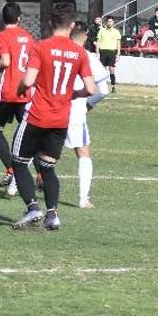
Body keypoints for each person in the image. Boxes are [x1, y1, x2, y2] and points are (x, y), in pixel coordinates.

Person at [10, 9, 98, 230]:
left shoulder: (40, 47)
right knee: (47, 167)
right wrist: (74, 94)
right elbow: (91, 88)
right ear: (71, 26)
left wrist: (20, 88)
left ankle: (33, 208)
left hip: (37, 116)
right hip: (60, 121)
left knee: (18, 162)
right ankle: (53, 215)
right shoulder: (79, 53)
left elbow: (28, 81)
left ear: (50, 22)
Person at [0, 3, 34, 197]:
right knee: (30, 133)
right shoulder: (29, 38)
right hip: (25, 92)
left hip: (8, 92)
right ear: (19, 18)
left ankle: (11, 169)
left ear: (3, 19)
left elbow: (5, 61)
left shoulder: (3, 36)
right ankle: (41, 173)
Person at [66, 21, 111, 209]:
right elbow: (103, 90)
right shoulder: (88, 57)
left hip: (52, 107)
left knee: (39, 148)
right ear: (84, 36)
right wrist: (88, 104)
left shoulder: (56, 50)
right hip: (75, 110)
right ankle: (83, 199)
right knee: (83, 152)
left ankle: (14, 186)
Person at [95, 15, 121, 92]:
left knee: (111, 69)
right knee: (102, 69)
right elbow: (98, 41)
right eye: (108, 21)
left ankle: (113, 86)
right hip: (103, 51)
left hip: (112, 52)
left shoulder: (116, 32)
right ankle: (101, 86)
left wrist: (118, 54)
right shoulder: (102, 31)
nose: (109, 23)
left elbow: (118, 43)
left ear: (113, 22)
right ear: (106, 22)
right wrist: (97, 51)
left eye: (111, 21)